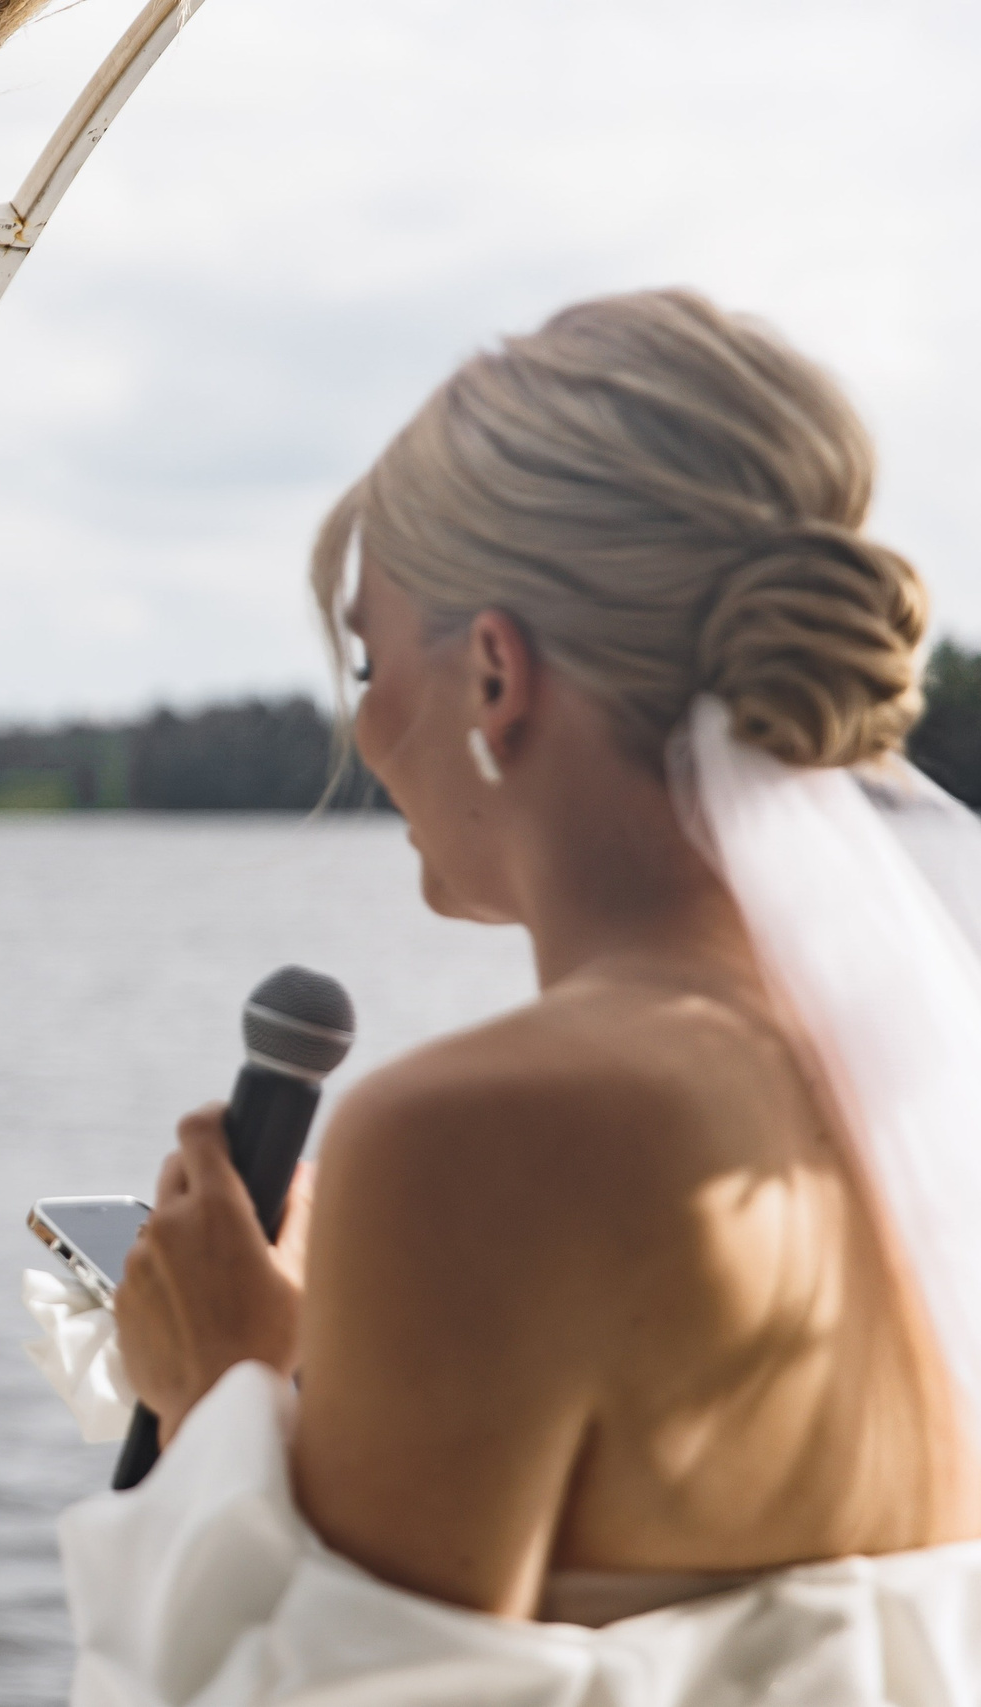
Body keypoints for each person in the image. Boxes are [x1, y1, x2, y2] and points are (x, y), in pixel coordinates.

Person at [64, 289, 981, 1703]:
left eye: (373, 660)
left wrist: (217, 1394)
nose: (364, 725)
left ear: (496, 671)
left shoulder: (482, 1135)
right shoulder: (917, 1085)